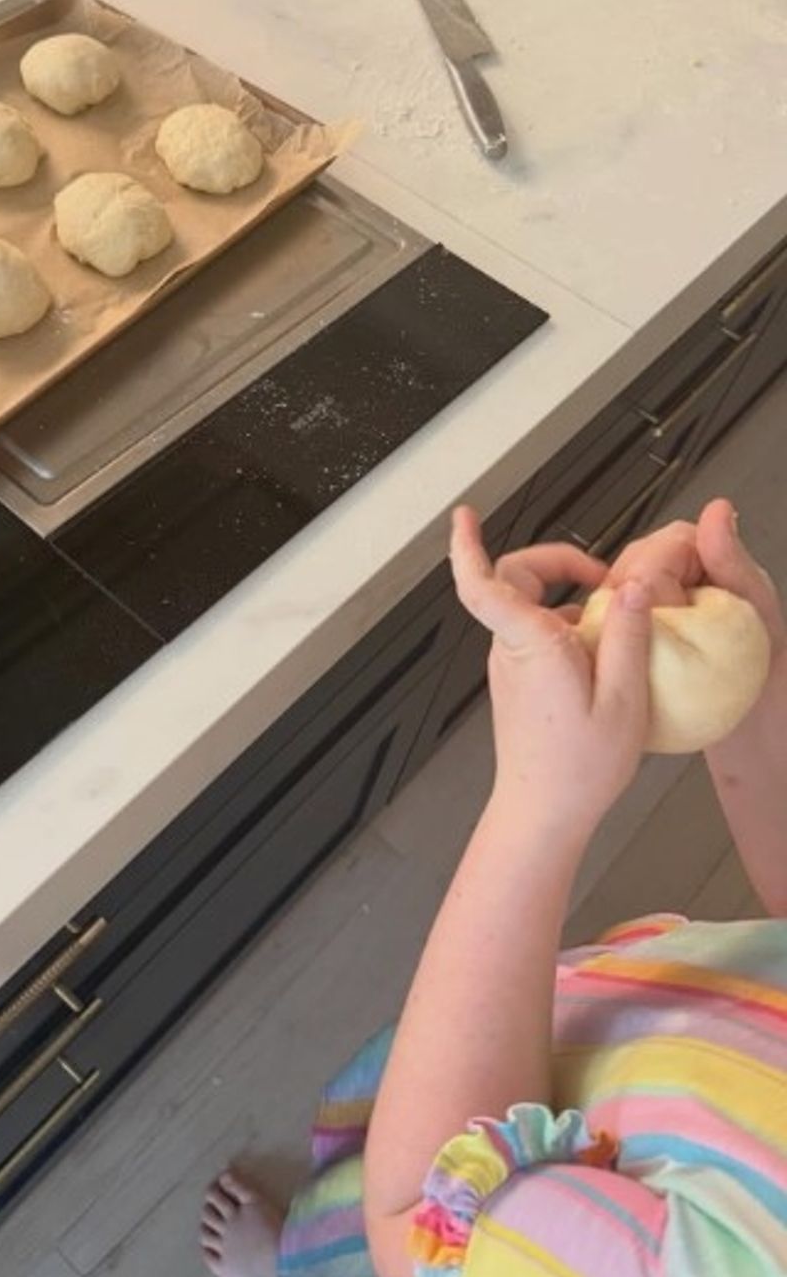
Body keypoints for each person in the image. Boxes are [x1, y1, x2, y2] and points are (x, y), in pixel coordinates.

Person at [199, 496, 787, 1276]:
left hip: (445, 1188)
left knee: (350, 1245)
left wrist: (538, 808)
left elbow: (420, 1227)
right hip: (552, 1057)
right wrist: (749, 671)